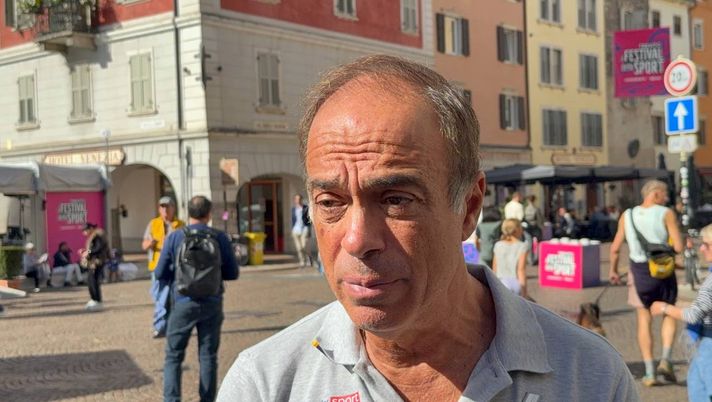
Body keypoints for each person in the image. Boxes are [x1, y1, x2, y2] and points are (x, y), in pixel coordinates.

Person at [217, 55, 637, 401]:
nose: (357, 239)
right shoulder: (265, 383)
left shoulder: (591, 377)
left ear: (469, 207)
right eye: (330, 202)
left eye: (396, 200)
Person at [155, 195, 238, 402]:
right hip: (212, 301)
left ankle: (172, 399)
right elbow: (232, 273)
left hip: (182, 301)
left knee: (173, 356)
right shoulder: (219, 237)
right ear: (209, 214)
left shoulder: (175, 237)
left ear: (187, 213)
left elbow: (159, 273)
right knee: (208, 356)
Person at [609, 179, 683, 387]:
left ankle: (650, 373)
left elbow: (615, 248)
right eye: (665, 194)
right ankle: (666, 359)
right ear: (655, 193)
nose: (666, 198)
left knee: (644, 318)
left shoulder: (627, 215)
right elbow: (678, 247)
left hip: (639, 271)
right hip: (663, 270)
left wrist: (613, 270)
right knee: (668, 313)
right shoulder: (666, 213)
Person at [651, 223, 712, 401]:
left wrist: (664, 308)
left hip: (709, 342)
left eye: (706, 244)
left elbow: (694, 315)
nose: (702, 248)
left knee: (701, 389)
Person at [143, 196, 185, 338]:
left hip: (176, 267)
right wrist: (152, 243)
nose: (165, 210)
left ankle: (168, 326)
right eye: (162, 207)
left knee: (174, 297)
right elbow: (144, 245)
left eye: (167, 207)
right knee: (160, 297)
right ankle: (161, 326)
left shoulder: (180, 225)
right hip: (158, 267)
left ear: (173, 208)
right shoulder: (153, 224)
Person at [492, 219, 529, 298]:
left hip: (500, 282)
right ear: (517, 230)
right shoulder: (522, 246)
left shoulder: (498, 245)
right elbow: (521, 270)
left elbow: (495, 268)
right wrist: (524, 292)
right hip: (515, 282)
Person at [80, 222, 110, 311]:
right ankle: (93, 299)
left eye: (85, 230)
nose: (84, 233)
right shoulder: (94, 236)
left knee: (93, 280)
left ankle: (97, 300)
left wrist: (88, 252)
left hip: (97, 261)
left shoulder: (98, 235)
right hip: (92, 262)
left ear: (90, 228)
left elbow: (98, 248)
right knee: (91, 280)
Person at [291, 194, 312, 267]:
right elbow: (293, 220)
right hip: (295, 230)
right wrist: (293, 228)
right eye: (296, 199)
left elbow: (309, 220)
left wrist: (309, 231)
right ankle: (302, 261)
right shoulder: (293, 209)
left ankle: (309, 258)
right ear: (295, 200)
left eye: (299, 199)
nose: (298, 200)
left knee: (304, 246)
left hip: (304, 229)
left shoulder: (305, 208)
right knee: (299, 248)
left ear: (301, 200)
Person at [524, 194, 544, 264]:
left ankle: (530, 260)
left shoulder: (525, 209)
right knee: (538, 243)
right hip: (535, 227)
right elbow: (539, 219)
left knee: (529, 244)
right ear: (534, 200)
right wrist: (542, 227)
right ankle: (537, 258)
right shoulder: (536, 209)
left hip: (527, 228)